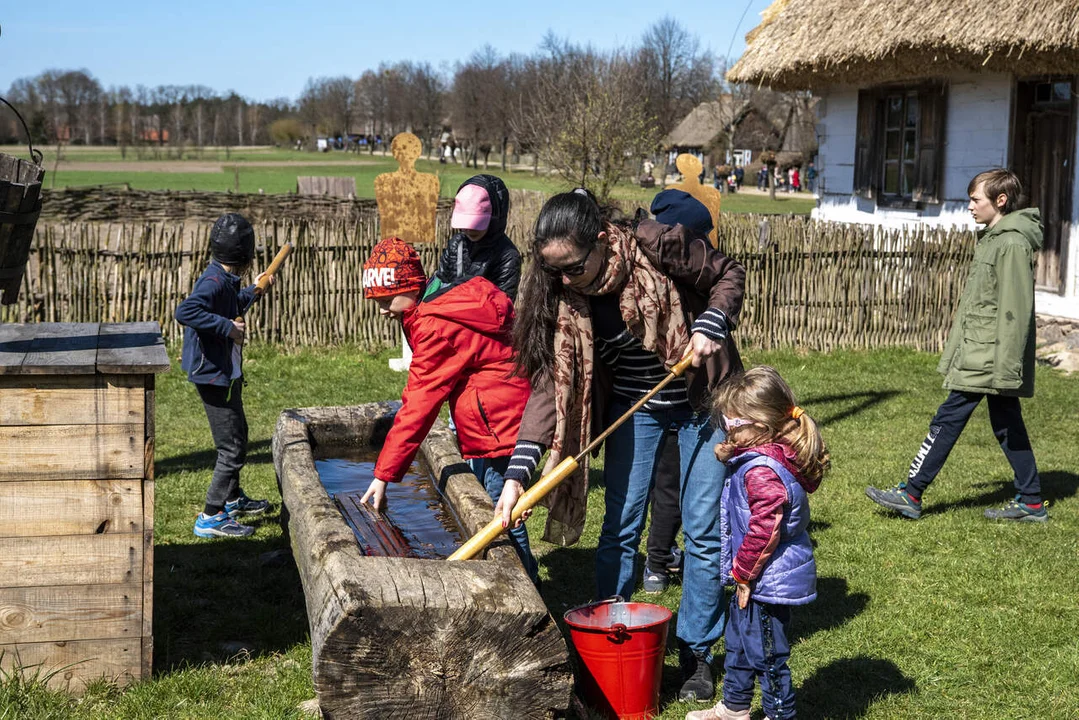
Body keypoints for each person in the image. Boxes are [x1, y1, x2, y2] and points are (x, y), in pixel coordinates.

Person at [504, 188, 746, 701]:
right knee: (619, 525)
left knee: (702, 530)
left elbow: (729, 274)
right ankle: (611, 636)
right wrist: (516, 476)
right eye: (555, 272)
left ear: (599, 241)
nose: (566, 280)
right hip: (633, 411)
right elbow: (551, 389)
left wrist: (712, 322)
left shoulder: (657, 244)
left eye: (572, 266)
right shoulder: (563, 296)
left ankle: (697, 652)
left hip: (702, 404)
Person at [866, 169, 1047, 522]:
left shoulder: (1011, 243)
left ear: (1001, 200)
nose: (969, 206)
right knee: (1007, 423)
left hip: (990, 355)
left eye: (976, 199)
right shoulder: (994, 237)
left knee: (948, 417)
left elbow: (1015, 309)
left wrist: (1007, 366)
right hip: (982, 349)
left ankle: (912, 492)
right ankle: (1032, 501)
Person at [358, 237, 540, 582]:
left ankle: (525, 585)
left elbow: (419, 406)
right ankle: (520, 576)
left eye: (385, 299)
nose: (382, 309)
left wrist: (383, 475)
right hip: (501, 411)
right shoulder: (447, 298)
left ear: (410, 287)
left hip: (499, 421)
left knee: (501, 509)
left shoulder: (435, 326)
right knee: (494, 502)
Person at [687, 366, 828, 720]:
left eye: (731, 425)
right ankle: (735, 707)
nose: (726, 430)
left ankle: (780, 714)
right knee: (737, 643)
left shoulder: (761, 470)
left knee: (767, 654)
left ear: (760, 428)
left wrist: (744, 575)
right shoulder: (759, 456)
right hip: (753, 577)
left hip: (765, 580)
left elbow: (765, 530)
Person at [640, 188, 720, 595]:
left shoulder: (676, 267)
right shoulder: (674, 274)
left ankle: (659, 563)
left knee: (668, 484)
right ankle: (659, 561)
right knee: (673, 484)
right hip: (670, 400)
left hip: (682, 400)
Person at [176, 213, 275, 538]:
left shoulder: (224, 280)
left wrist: (256, 290)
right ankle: (211, 516)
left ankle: (232, 499)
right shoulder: (213, 281)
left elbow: (230, 305)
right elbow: (186, 311)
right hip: (212, 376)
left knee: (240, 435)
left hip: (225, 374)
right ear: (245, 253)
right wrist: (228, 328)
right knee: (231, 447)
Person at [432, 174, 522, 301]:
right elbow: (441, 282)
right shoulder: (456, 244)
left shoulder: (507, 257)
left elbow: (501, 306)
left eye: (476, 223)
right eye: (465, 223)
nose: (469, 230)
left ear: (494, 218)